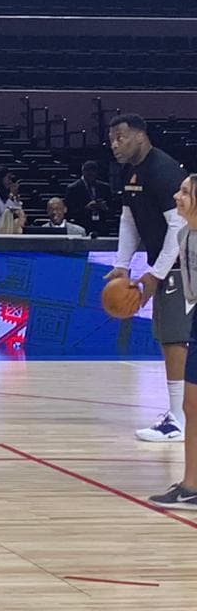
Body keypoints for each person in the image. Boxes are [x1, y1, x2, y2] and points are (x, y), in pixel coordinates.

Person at [104, 113, 188, 442]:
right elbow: (129, 219)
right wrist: (122, 264)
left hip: (183, 266)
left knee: (175, 339)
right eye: (111, 139)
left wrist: (155, 274)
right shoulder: (131, 172)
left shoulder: (163, 170)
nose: (115, 144)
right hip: (172, 266)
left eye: (121, 137)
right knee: (173, 338)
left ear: (140, 136)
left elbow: (179, 226)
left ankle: (179, 420)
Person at [148, 173, 197, 509]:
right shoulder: (183, 234)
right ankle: (190, 485)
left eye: (185, 192)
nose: (177, 196)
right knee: (190, 407)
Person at [65, 159, 113, 235]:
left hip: (101, 226)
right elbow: (69, 212)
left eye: (94, 172)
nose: (91, 174)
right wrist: (86, 208)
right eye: (88, 172)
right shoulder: (73, 189)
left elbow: (112, 209)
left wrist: (105, 208)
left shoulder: (105, 188)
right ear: (83, 171)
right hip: (81, 227)